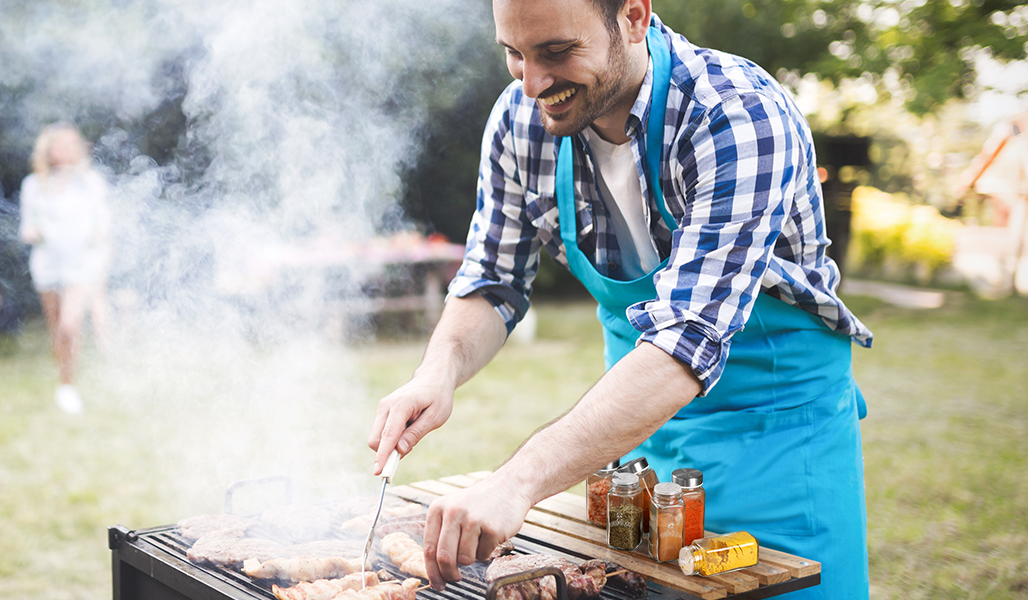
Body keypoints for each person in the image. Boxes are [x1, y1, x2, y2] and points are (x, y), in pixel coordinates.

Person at [366, 1, 873, 598]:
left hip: (779, 446)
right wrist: (438, 371)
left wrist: (516, 482)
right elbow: (491, 279)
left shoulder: (737, 115)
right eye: (514, 54)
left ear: (633, 15)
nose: (532, 83)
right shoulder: (520, 120)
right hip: (634, 448)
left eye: (556, 52)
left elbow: (685, 342)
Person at [19, 124, 112, 414]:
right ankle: (65, 377)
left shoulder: (92, 182)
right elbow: (27, 227)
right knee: (57, 329)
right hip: (48, 265)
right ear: (49, 150)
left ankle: (68, 387)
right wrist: (33, 232)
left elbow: (104, 223)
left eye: (74, 144)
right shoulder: (33, 185)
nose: (69, 150)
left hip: (81, 264)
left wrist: (99, 239)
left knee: (69, 326)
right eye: (62, 145)